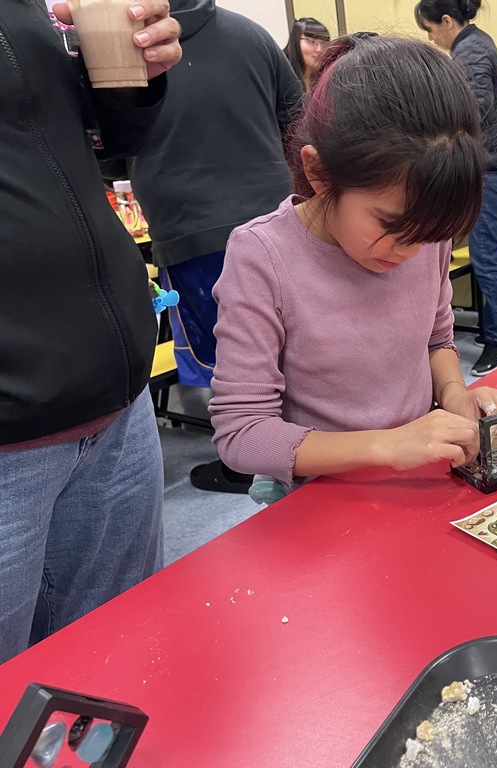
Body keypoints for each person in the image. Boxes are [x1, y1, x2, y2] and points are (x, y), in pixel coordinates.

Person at [208, 35, 497, 496]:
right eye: (391, 225)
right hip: (320, 495)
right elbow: (242, 434)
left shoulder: (423, 230)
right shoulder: (262, 256)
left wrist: (454, 394)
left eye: (429, 236)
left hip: (420, 477)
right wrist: (387, 446)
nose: (411, 252)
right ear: (319, 172)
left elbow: (436, 338)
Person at [0, 0, 181, 665]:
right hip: (12, 428)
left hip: (112, 393)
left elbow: (98, 144)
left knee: (113, 671)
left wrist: (135, 80)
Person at [128, 0, 303, 493]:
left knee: (224, 355)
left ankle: (244, 464)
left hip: (193, 228)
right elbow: (297, 119)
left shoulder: (131, 50)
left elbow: (107, 142)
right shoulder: (251, 34)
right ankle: (293, 454)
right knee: (285, 342)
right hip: (275, 220)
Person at [415, 0, 497, 375]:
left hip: (488, 168)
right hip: (495, 166)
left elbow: (475, 107)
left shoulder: (471, 49)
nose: (431, 37)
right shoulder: (475, 44)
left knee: (487, 256)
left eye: (430, 29)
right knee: (494, 253)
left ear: (446, 21)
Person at [283, 15, 330, 91]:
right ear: (296, 41)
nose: (319, 49)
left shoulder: (327, 77)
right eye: (312, 41)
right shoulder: (281, 77)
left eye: (324, 43)